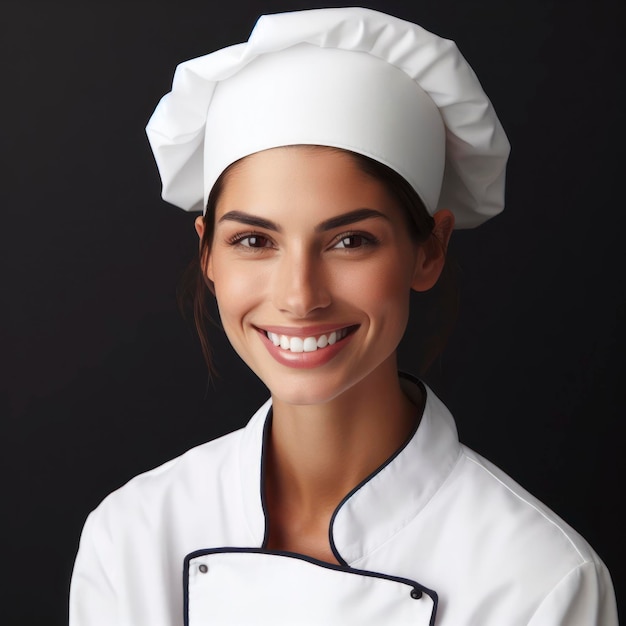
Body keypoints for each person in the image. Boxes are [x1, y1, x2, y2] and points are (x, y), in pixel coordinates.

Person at [69, 7, 618, 625]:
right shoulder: (132, 538)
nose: (301, 297)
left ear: (429, 251)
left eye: (350, 240)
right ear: (207, 254)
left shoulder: (539, 581)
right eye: (255, 241)